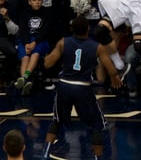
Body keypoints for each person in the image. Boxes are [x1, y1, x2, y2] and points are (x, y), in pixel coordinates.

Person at [41, 14, 123, 160]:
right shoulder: (97, 47)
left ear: (72, 29)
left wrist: (48, 55)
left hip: (65, 85)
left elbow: (47, 64)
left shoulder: (63, 42)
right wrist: (115, 78)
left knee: (56, 121)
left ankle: (45, 154)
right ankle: (98, 158)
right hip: (83, 87)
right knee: (96, 125)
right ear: (88, 29)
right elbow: (111, 68)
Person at [14, 0, 51, 96]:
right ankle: (25, 83)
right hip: (25, 40)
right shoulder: (24, 13)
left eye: (39, 0)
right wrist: (26, 43)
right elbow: (23, 30)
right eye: (34, 0)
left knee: (35, 54)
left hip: (40, 40)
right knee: (25, 58)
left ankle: (24, 78)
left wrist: (35, 42)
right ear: (30, 2)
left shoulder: (46, 13)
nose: (37, 2)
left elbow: (46, 31)